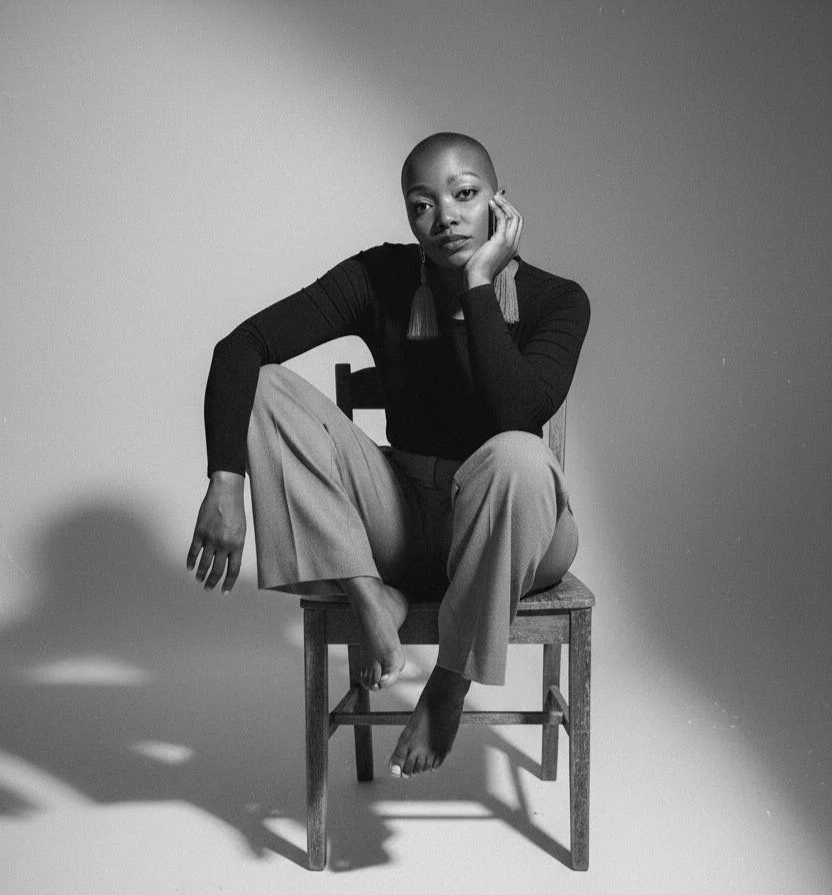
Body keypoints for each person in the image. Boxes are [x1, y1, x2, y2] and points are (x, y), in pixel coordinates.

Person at [186, 132, 590, 779]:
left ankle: (449, 683)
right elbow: (241, 348)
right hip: (403, 522)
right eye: (422, 204)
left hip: (517, 533)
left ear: (500, 202)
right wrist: (225, 481)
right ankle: (368, 592)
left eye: (465, 194)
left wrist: (478, 283)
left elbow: (517, 413)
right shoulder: (381, 277)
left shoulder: (558, 300)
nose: (446, 216)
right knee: (266, 385)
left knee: (518, 455)